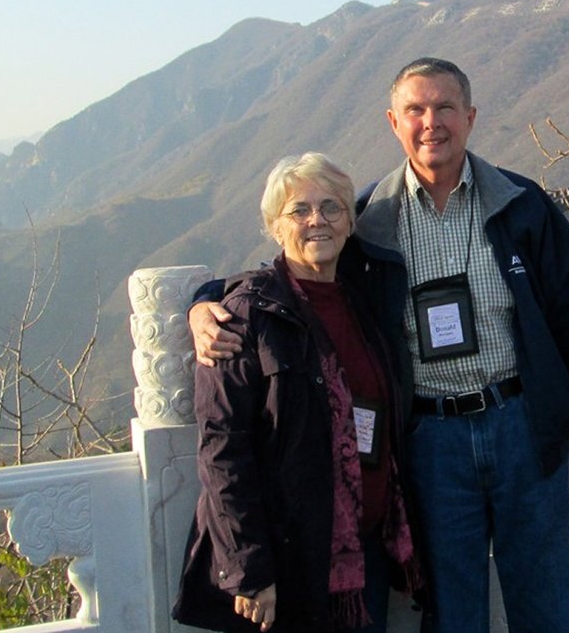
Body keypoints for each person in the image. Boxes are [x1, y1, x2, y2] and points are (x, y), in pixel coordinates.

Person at [191, 58, 569, 632]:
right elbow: (298, 267)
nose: (431, 122)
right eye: (416, 110)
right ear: (393, 123)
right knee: (453, 616)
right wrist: (203, 300)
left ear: (469, 118)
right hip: (431, 444)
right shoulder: (372, 219)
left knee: (546, 607)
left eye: (445, 107)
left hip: (525, 429)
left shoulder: (521, 206)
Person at [173, 153, 422, 633]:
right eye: (299, 210)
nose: (317, 221)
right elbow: (223, 450)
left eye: (331, 208)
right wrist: (250, 571)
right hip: (287, 562)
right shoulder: (245, 317)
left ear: (351, 222)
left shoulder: (362, 304)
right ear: (274, 225)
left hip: (360, 553)